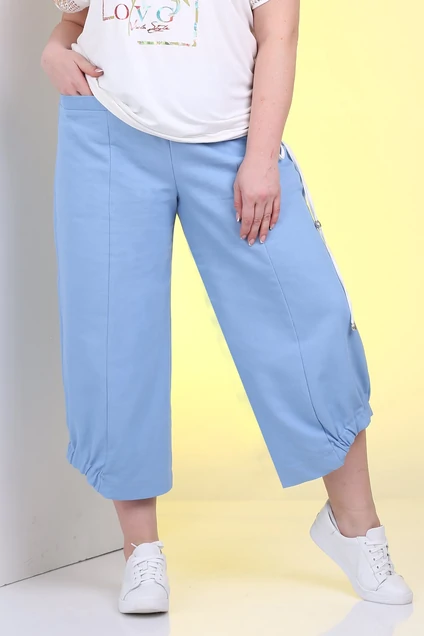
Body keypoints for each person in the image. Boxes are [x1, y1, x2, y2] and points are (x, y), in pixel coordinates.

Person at [41, 0, 412, 614]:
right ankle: (140, 551)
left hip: (232, 141)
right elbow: (79, 18)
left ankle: (355, 526)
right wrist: (56, 47)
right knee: (112, 337)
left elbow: (279, 35)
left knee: (308, 322)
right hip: (107, 131)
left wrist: (261, 158)